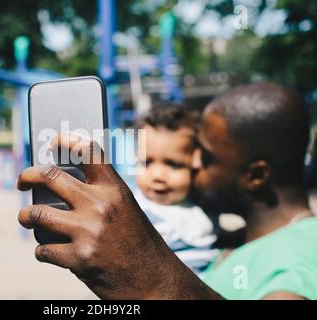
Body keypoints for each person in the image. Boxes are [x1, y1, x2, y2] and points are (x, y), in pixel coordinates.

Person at [17, 82, 317, 300]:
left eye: (206, 156)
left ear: (255, 175)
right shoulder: (242, 240)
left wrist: (150, 273)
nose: (193, 165)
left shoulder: (299, 256)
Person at [134, 103, 218, 274]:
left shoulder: (204, 202)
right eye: (146, 162)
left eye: (172, 164)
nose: (157, 175)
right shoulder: (135, 212)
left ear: (196, 161)